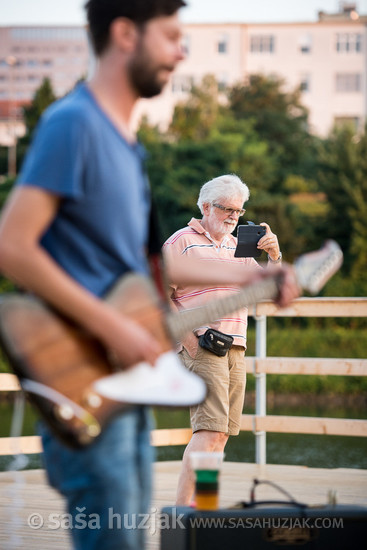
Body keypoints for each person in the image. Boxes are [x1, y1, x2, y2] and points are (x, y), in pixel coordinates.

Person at [0, 1, 186, 549]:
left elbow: (139, 265)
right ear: (126, 34)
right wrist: (116, 328)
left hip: (126, 389)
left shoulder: (128, 146)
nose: (182, 50)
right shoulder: (73, 123)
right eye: (171, 35)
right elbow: (11, 245)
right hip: (83, 382)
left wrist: (258, 280)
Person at [163, 174, 285, 506]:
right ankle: (183, 512)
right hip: (202, 346)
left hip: (236, 346)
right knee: (208, 432)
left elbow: (272, 290)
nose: (234, 216)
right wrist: (190, 341)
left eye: (239, 211)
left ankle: (203, 508)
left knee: (220, 436)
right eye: (227, 209)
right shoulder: (180, 243)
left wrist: (274, 256)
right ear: (206, 206)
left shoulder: (237, 247)